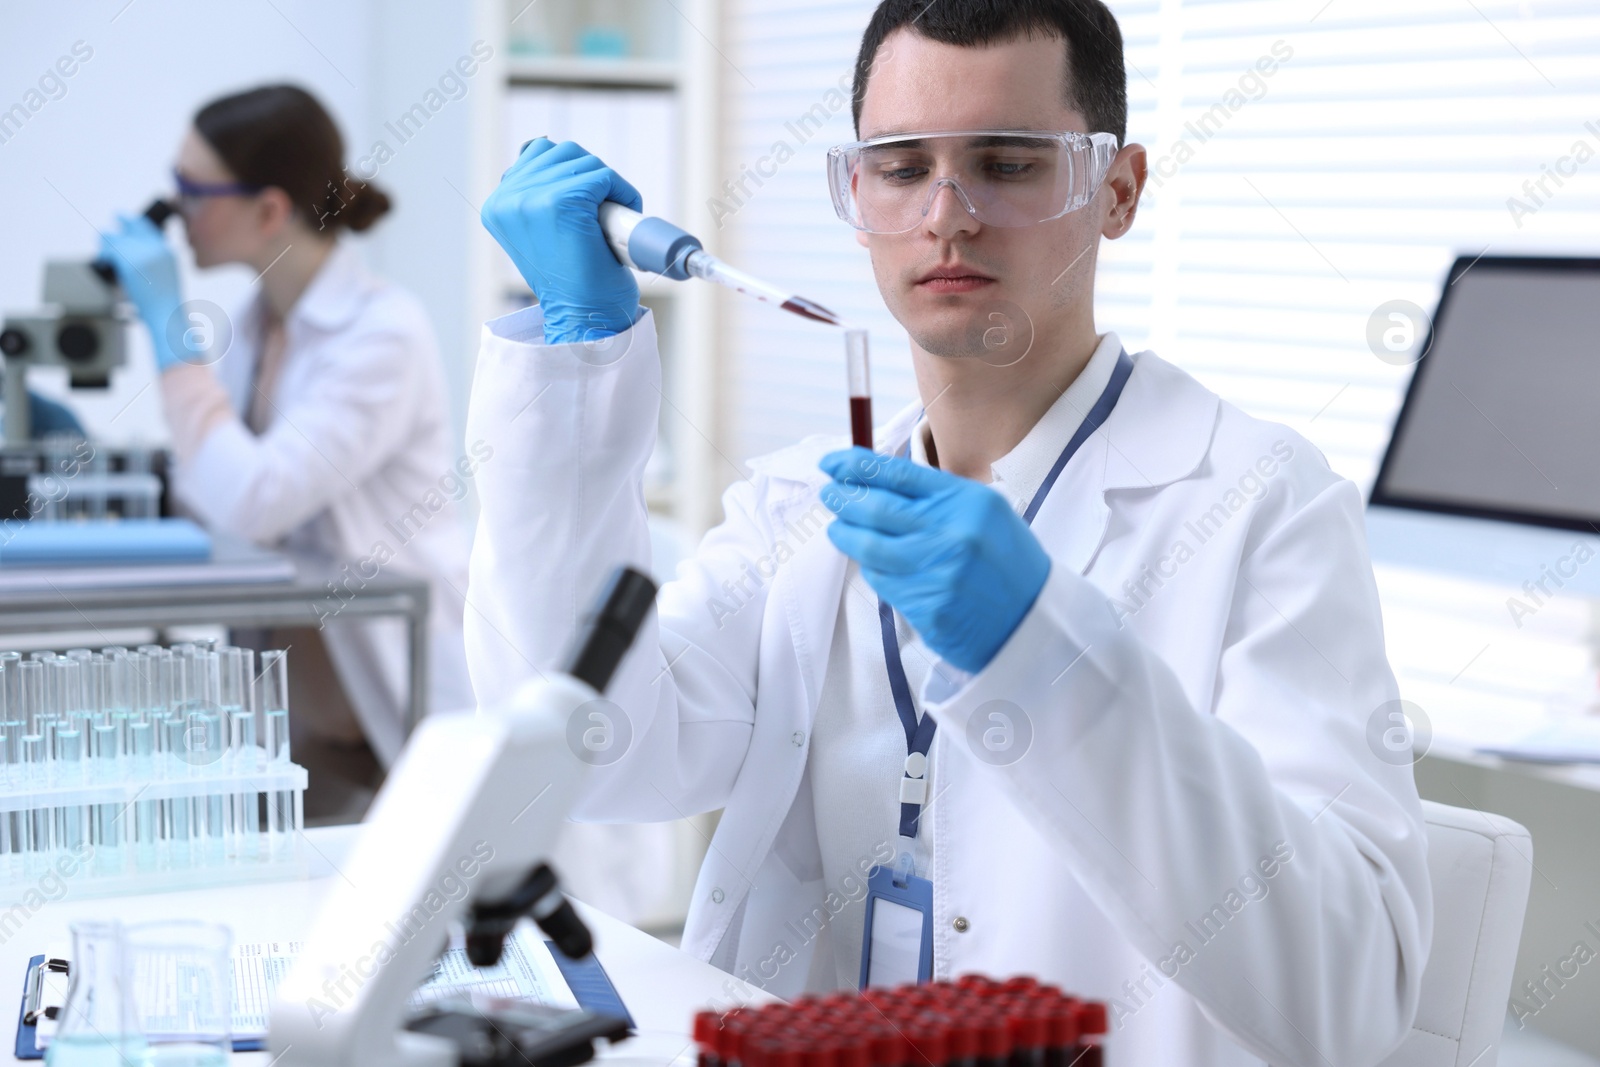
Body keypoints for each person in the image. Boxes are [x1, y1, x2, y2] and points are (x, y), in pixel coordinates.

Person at [465, 2, 1432, 1063]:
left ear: (1117, 189)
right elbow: (598, 758)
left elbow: (1349, 997)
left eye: (1008, 163)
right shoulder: (799, 504)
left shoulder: (1256, 505)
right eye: (899, 166)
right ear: (855, 194)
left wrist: (1051, 654)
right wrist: (575, 367)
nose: (946, 214)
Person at [98, 84, 473, 767]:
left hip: (398, 706)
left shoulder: (381, 335)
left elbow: (255, 499)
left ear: (269, 209)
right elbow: (212, 487)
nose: (174, 210)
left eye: (191, 188)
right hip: (305, 720)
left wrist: (168, 334)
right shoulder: (257, 323)